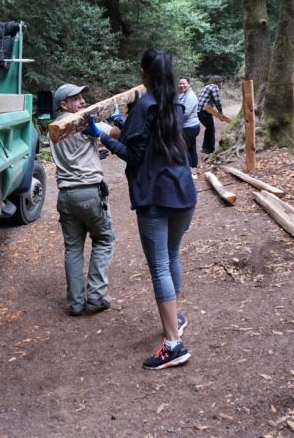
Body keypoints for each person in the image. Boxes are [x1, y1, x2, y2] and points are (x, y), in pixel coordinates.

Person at [87, 48, 197, 370]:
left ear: (144, 73)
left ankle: (173, 345)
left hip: (155, 196)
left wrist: (99, 135)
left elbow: (133, 155)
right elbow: (144, 138)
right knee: (172, 257)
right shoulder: (174, 105)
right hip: (183, 194)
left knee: (160, 267)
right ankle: (174, 318)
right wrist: (120, 123)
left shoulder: (145, 105)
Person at [51, 84, 116, 317]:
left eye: (82, 98)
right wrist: (113, 122)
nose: (82, 102)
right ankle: (96, 295)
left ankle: (76, 303)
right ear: (63, 104)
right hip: (89, 192)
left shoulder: (54, 128)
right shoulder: (81, 122)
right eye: (76, 99)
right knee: (104, 239)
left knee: (73, 248)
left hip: (65, 195)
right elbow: (117, 134)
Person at [196, 75, 225, 158]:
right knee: (211, 129)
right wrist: (221, 113)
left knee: (209, 128)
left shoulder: (207, 87)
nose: (222, 84)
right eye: (221, 82)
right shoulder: (214, 87)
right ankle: (210, 149)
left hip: (199, 111)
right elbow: (218, 101)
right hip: (203, 111)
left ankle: (205, 148)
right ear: (219, 82)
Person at [177, 77, 201, 177]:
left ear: (189, 84)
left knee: (183, 149)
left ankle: (189, 172)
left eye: (184, 83)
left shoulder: (190, 96)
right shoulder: (183, 95)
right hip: (188, 127)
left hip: (190, 127)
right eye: (180, 84)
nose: (182, 86)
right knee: (191, 149)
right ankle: (193, 172)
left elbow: (185, 113)